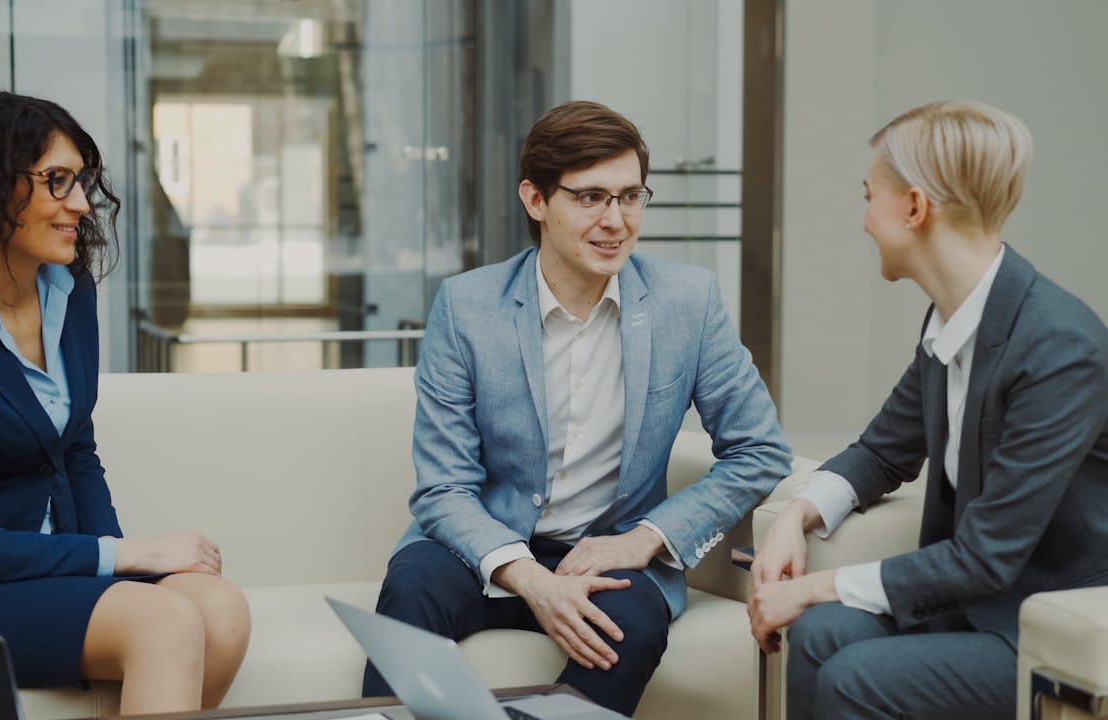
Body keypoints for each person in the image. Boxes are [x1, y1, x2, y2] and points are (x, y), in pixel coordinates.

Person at [363, 100, 793, 716]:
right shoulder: (467, 307)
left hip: (608, 551)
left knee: (634, 621)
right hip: (487, 546)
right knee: (413, 584)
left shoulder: (687, 303)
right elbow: (443, 489)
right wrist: (533, 581)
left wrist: (647, 538)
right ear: (535, 200)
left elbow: (760, 449)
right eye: (589, 197)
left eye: (630, 196)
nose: (616, 221)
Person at [0, 91, 251, 715]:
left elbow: (76, 451)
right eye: (56, 181)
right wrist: (132, 557)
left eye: (82, 182)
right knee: (164, 623)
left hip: (43, 572)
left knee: (221, 611)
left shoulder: (70, 295)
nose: (81, 204)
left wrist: (119, 575)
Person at [747, 99, 1108, 719]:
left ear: (914, 208)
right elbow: (883, 451)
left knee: (854, 677)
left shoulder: (1059, 346)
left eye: (868, 196)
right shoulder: (951, 323)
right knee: (816, 638)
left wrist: (815, 586)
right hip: (973, 606)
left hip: (1047, 627)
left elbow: (985, 557)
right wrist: (795, 515)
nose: (862, 221)